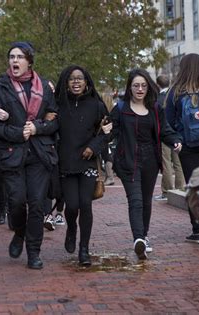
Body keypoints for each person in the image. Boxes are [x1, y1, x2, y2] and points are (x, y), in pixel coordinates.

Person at [0, 41, 58, 269]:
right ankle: (19, 232)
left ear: (29, 61)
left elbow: (55, 119)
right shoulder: (0, 86)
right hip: (12, 153)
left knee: (37, 204)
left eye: (19, 57)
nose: (14, 61)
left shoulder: (45, 87)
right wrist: (19, 132)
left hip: (39, 154)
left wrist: (37, 128)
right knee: (16, 202)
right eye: (11, 57)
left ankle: (34, 252)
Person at [111, 68, 182, 260]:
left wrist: (175, 140)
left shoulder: (155, 108)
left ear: (148, 87)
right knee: (135, 200)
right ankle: (139, 239)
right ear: (130, 87)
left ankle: (144, 235)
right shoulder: (120, 108)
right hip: (128, 162)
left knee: (146, 201)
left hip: (150, 160)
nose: (140, 89)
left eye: (143, 85)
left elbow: (165, 130)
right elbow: (110, 131)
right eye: (136, 85)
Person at [55, 65, 111, 266]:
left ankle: (84, 249)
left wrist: (94, 147)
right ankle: (71, 229)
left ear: (87, 82)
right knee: (71, 206)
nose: (76, 82)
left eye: (80, 78)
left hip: (87, 162)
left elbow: (108, 131)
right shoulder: (58, 104)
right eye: (71, 79)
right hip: (66, 164)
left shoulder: (96, 105)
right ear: (66, 82)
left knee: (85, 205)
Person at [165, 54, 199, 244]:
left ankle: (196, 230)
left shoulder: (175, 92)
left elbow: (169, 122)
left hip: (188, 145)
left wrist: (176, 140)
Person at [154, 74, 185, 201]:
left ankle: (166, 191)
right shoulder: (176, 95)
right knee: (178, 164)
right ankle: (180, 189)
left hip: (165, 134)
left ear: (158, 84)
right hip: (177, 134)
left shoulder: (158, 99)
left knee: (166, 163)